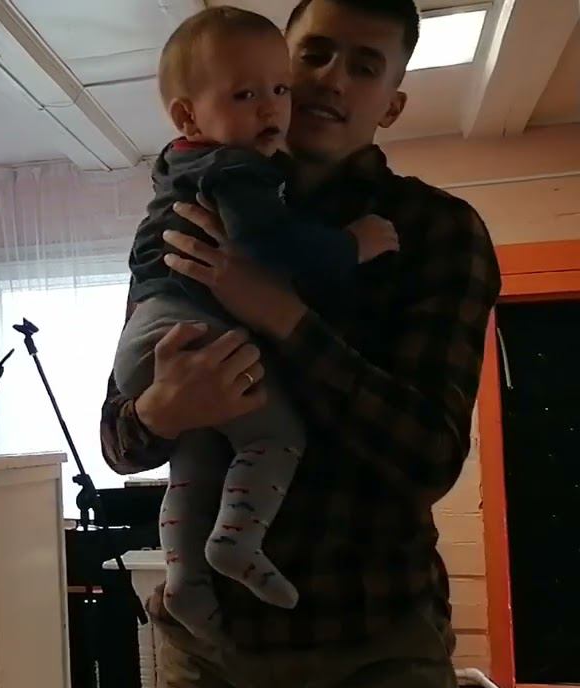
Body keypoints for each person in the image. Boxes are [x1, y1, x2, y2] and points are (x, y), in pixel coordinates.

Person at [99, 0, 500, 688]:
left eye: (365, 66)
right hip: (209, 657)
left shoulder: (436, 231)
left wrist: (279, 313)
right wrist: (160, 410)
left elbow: (429, 457)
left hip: (370, 646)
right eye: (313, 55)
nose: (331, 79)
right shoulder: (192, 204)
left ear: (392, 104)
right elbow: (117, 440)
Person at [111, 6, 400, 644]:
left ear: (394, 102)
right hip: (182, 333)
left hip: (361, 631)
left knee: (199, 453)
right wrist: (352, 245)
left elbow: (425, 452)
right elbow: (273, 242)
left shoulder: (179, 170)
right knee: (272, 435)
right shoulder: (240, 171)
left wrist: (267, 305)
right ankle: (237, 542)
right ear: (189, 116)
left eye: (277, 90)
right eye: (248, 94)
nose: (274, 106)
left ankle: (185, 581)